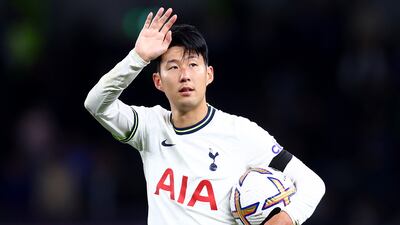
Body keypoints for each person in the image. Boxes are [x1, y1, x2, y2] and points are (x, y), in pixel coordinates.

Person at [84, 7, 325, 225]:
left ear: (209, 75)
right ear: (158, 81)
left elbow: (312, 184)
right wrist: (138, 58)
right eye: (173, 67)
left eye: (193, 64)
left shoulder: (240, 132)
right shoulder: (150, 128)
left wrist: (287, 217)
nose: (185, 75)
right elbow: (96, 104)